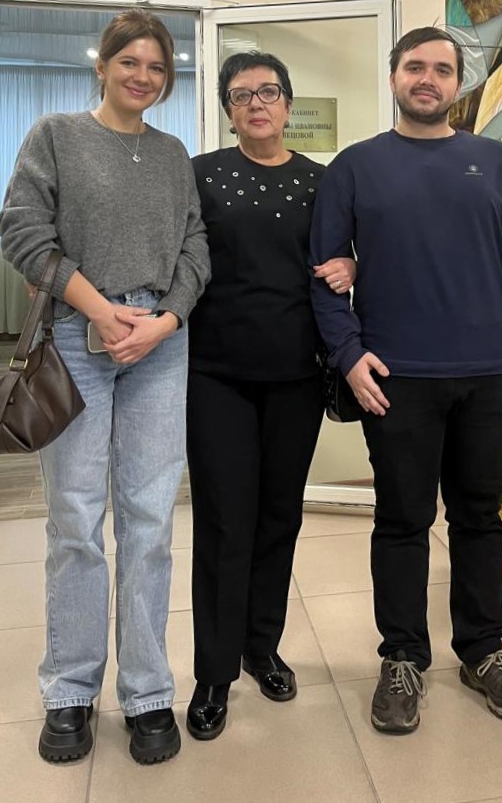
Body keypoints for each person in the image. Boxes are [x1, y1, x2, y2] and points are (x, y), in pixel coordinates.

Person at [309, 26, 502, 734]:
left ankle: (483, 649)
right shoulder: (354, 168)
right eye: (414, 66)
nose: (427, 79)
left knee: (478, 518)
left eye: (441, 69)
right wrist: (348, 354)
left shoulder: (497, 164)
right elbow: (323, 273)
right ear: (393, 76)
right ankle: (402, 656)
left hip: (487, 377)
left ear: (458, 83)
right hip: (395, 379)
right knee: (402, 520)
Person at [0, 11, 210, 766]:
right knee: (76, 520)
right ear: (102, 65)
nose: (143, 76)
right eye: (130, 61)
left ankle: (147, 691)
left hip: (159, 345)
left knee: (150, 520)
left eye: (156, 66)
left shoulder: (173, 153)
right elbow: (21, 229)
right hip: (75, 343)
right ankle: (71, 689)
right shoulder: (55, 136)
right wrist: (97, 308)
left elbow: (195, 246)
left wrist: (165, 320)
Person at [184, 51, 354, 741]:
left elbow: (347, 250)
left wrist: (352, 264)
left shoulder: (322, 181)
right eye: (241, 94)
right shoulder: (199, 175)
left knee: (280, 517)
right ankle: (213, 672)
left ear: (287, 103)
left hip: (296, 377)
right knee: (225, 522)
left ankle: (262, 646)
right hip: (215, 375)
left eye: (268, 91)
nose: (256, 103)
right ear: (228, 109)